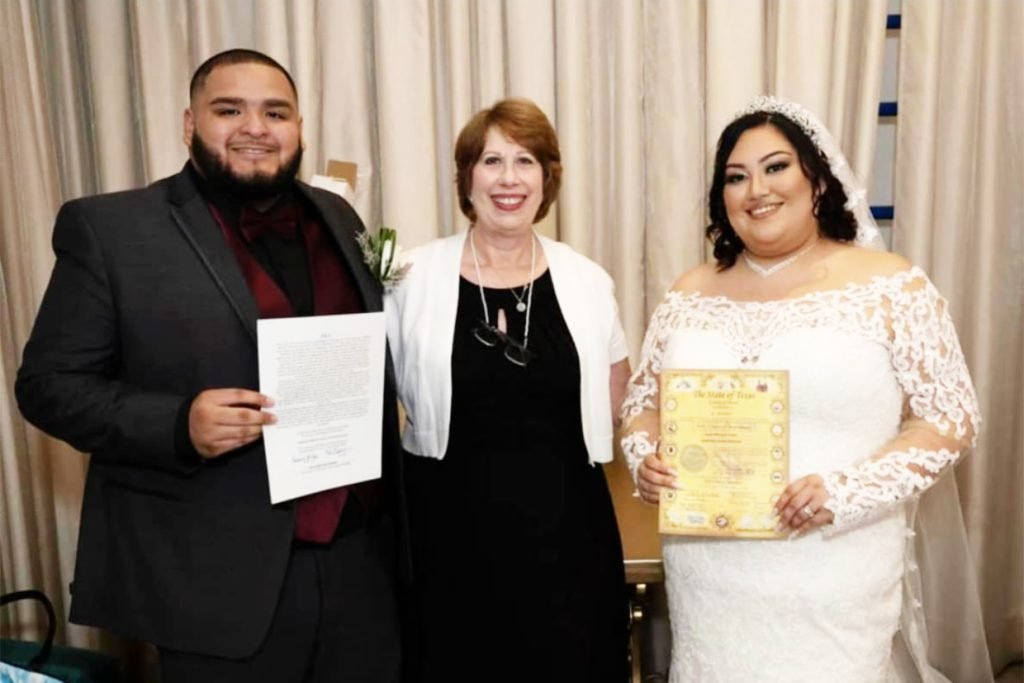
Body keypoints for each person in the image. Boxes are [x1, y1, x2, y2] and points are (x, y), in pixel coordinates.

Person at [16, 49, 405, 683]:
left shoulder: (338, 217)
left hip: (359, 568)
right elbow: (47, 386)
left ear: (299, 128)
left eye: (275, 112)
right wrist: (177, 423)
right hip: (215, 582)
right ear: (189, 123)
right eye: (230, 109)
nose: (256, 127)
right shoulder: (112, 228)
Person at [620, 96, 984, 682]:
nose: (756, 188)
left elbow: (951, 419)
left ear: (818, 180)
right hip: (711, 574)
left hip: (832, 566)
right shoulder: (688, 291)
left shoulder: (890, 286)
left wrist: (844, 490)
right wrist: (646, 459)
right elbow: (643, 405)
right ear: (723, 199)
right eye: (735, 177)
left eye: (776, 166)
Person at [385, 98, 631, 682]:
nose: (508, 178)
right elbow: (366, 395)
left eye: (525, 161)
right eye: (491, 160)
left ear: (547, 179)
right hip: (447, 531)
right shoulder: (407, 277)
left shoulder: (587, 278)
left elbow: (621, 397)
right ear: (466, 177)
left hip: (567, 530)